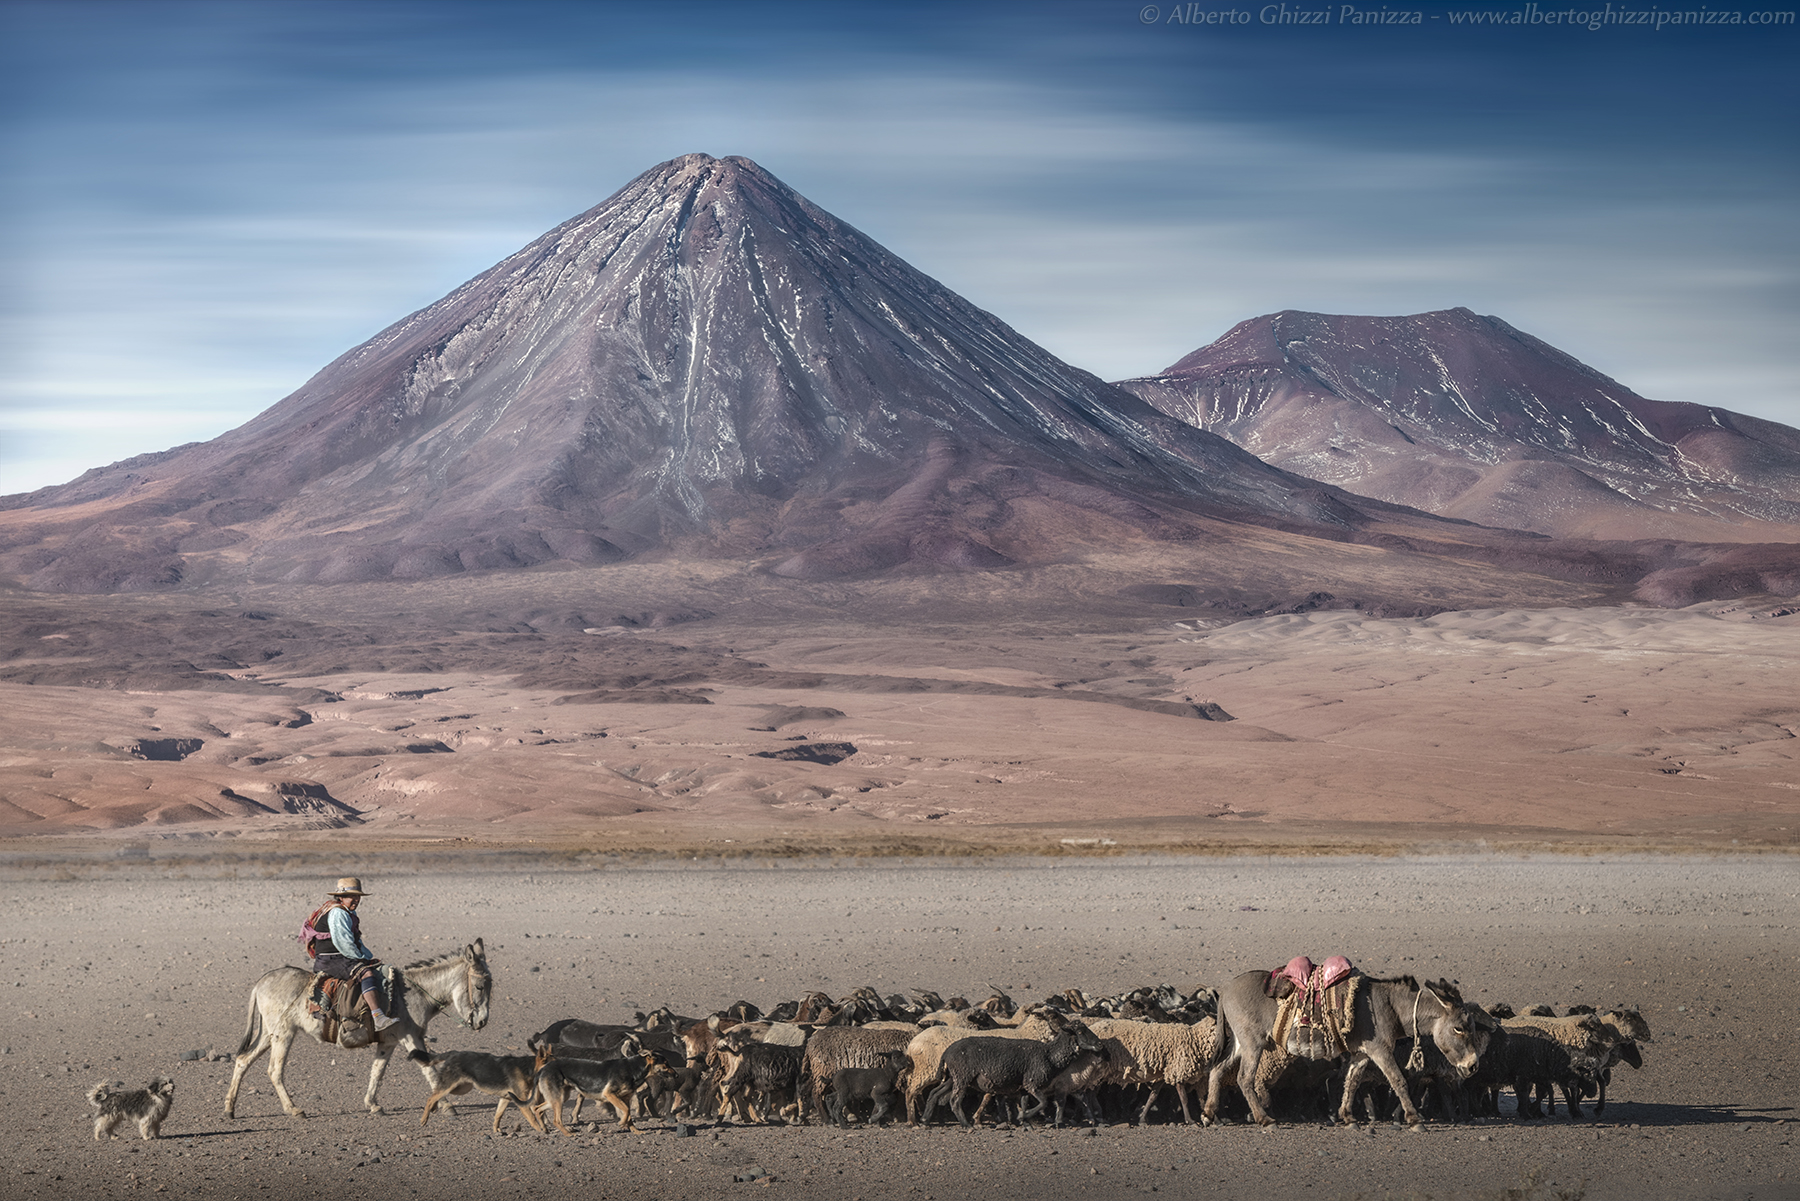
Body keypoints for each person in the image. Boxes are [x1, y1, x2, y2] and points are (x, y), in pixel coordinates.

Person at [307, 877, 397, 1030]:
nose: (356, 899)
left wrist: (368, 957)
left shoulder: (346, 911)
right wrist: (361, 960)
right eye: (351, 896)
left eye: (357, 896)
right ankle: (378, 1017)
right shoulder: (338, 913)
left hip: (339, 956)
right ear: (341, 897)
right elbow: (344, 942)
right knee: (366, 973)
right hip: (331, 960)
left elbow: (355, 941)